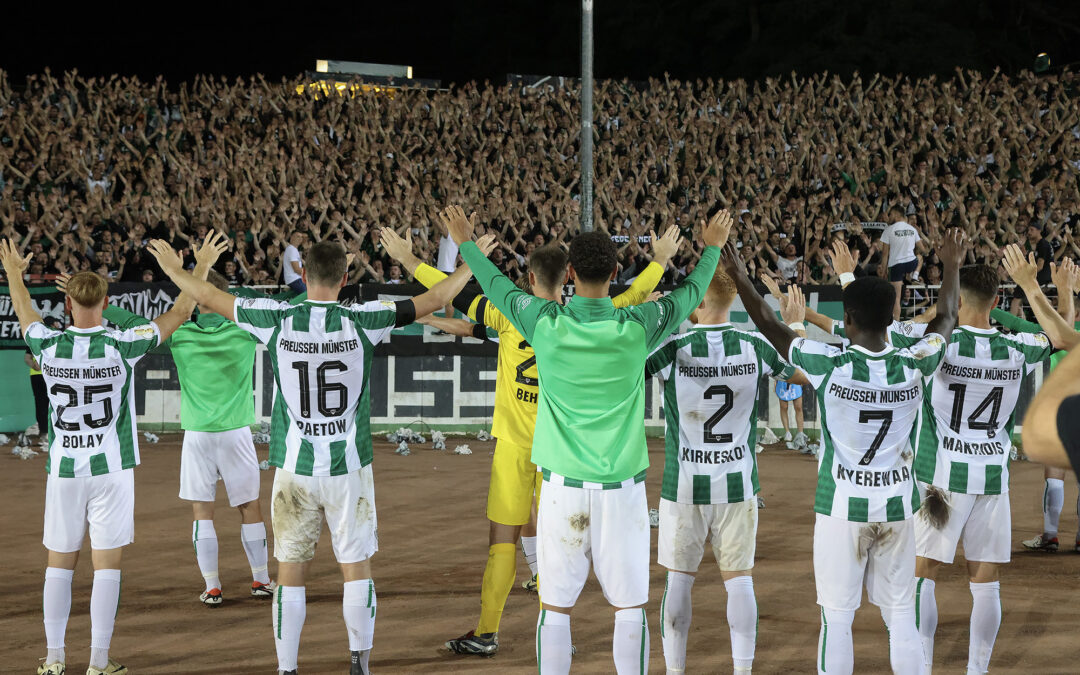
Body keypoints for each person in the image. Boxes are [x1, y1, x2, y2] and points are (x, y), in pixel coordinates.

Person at [145, 231, 486, 675]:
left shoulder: (274, 317)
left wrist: (176, 268)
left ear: (302, 274)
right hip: (348, 469)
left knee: (290, 575)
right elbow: (437, 295)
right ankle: (359, 663)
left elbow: (206, 294)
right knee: (356, 569)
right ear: (346, 278)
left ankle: (288, 668)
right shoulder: (367, 318)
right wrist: (472, 261)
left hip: (294, 469)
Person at [444, 202, 732, 674]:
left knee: (555, 612)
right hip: (623, 493)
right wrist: (712, 249)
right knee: (629, 612)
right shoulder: (638, 325)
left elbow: (494, 287)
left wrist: (466, 241)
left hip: (561, 492)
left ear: (571, 272)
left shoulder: (544, 322)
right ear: (616, 271)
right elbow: (693, 291)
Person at [381, 222, 680, 656]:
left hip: (517, 447)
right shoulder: (595, 315)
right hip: (563, 455)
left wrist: (410, 260)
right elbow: (636, 293)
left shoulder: (508, 314)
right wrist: (661, 259)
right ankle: (556, 628)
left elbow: (457, 295)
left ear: (532, 279)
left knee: (502, 539)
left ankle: (488, 631)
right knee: (557, 547)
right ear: (571, 278)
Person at [725, 227, 967, 675]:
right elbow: (947, 317)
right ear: (892, 319)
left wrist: (740, 274)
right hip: (897, 506)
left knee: (836, 619)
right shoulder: (915, 363)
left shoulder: (829, 366)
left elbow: (768, 324)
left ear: (848, 321)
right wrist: (951, 265)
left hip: (841, 509)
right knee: (900, 617)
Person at [0, 236, 215, 675]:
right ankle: (99, 662)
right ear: (105, 300)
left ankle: (55, 660)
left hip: (64, 470)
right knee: (107, 567)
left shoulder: (48, 345)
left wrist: (14, 274)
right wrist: (200, 269)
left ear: (68, 302)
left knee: (58, 564)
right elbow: (180, 312)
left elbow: (25, 313)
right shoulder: (123, 344)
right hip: (112, 470)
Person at [89, 233, 277, 606]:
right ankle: (260, 581)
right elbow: (296, 304)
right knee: (249, 507)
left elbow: (129, 321)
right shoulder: (244, 330)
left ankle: (212, 586)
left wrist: (98, 300)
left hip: (197, 436)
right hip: (237, 433)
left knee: (201, 512)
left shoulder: (180, 333)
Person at [646, 269, 806, 675]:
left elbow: (625, 371)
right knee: (740, 582)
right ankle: (742, 670)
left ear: (696, 302)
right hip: (738, 486)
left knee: (678, 582)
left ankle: (676, 671)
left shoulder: (672, 348)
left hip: (683, 486)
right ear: (733, 302)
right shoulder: (756, 346)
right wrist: (796, 325)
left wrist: (650, 315)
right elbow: (803, 376)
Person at [910, 260, 1056, 675]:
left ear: (955, 299)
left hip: (941, 479)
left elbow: (874, 330)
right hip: (992, 479)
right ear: (996, 301)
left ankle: (920, 667)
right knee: (986, 584)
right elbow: (1064, 337)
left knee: (923, 576)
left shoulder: (938, 344)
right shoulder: (1017, 348)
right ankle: (978, 671)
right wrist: (1031, 287)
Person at [879, 207, 923, 321]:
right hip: (911, 263)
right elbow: (922, 249)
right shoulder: (913, 229)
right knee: (920, 257)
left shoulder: (888, 230)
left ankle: (896, 323)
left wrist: (883, 271)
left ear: (895, 214)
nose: (889, 217)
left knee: (897, 298)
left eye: (890, 214)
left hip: (896, 265)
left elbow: (885, 254)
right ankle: (915, 275)